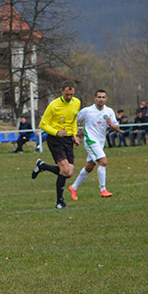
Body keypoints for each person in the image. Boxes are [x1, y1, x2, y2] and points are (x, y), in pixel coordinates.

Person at [32, 80, 81, 209]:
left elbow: (74, 120)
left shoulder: (77, 103)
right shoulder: (54, 105)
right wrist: (57, 132)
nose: (69, 97)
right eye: (67, 94)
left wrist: (75, 134)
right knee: (64, 169)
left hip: (68, 139)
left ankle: (42, 166)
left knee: (69, 172)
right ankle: (59, 202)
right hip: (55, 139)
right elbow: (42, 125)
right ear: (61, 91)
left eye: (71, 94)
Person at [69, 89, 119, 200]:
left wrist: (111, 125)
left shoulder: (109, 111)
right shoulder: (87, 111)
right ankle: (103, 189)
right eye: (99, 97)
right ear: (95, 98)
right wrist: (75, 135)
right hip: (90, 140)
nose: (101, 99)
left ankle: (74, 187)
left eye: (103, 97)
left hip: (101, 142)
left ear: (106, 99)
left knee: (90, 167)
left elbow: (117, 128)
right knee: (103, 161)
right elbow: (74, 121)